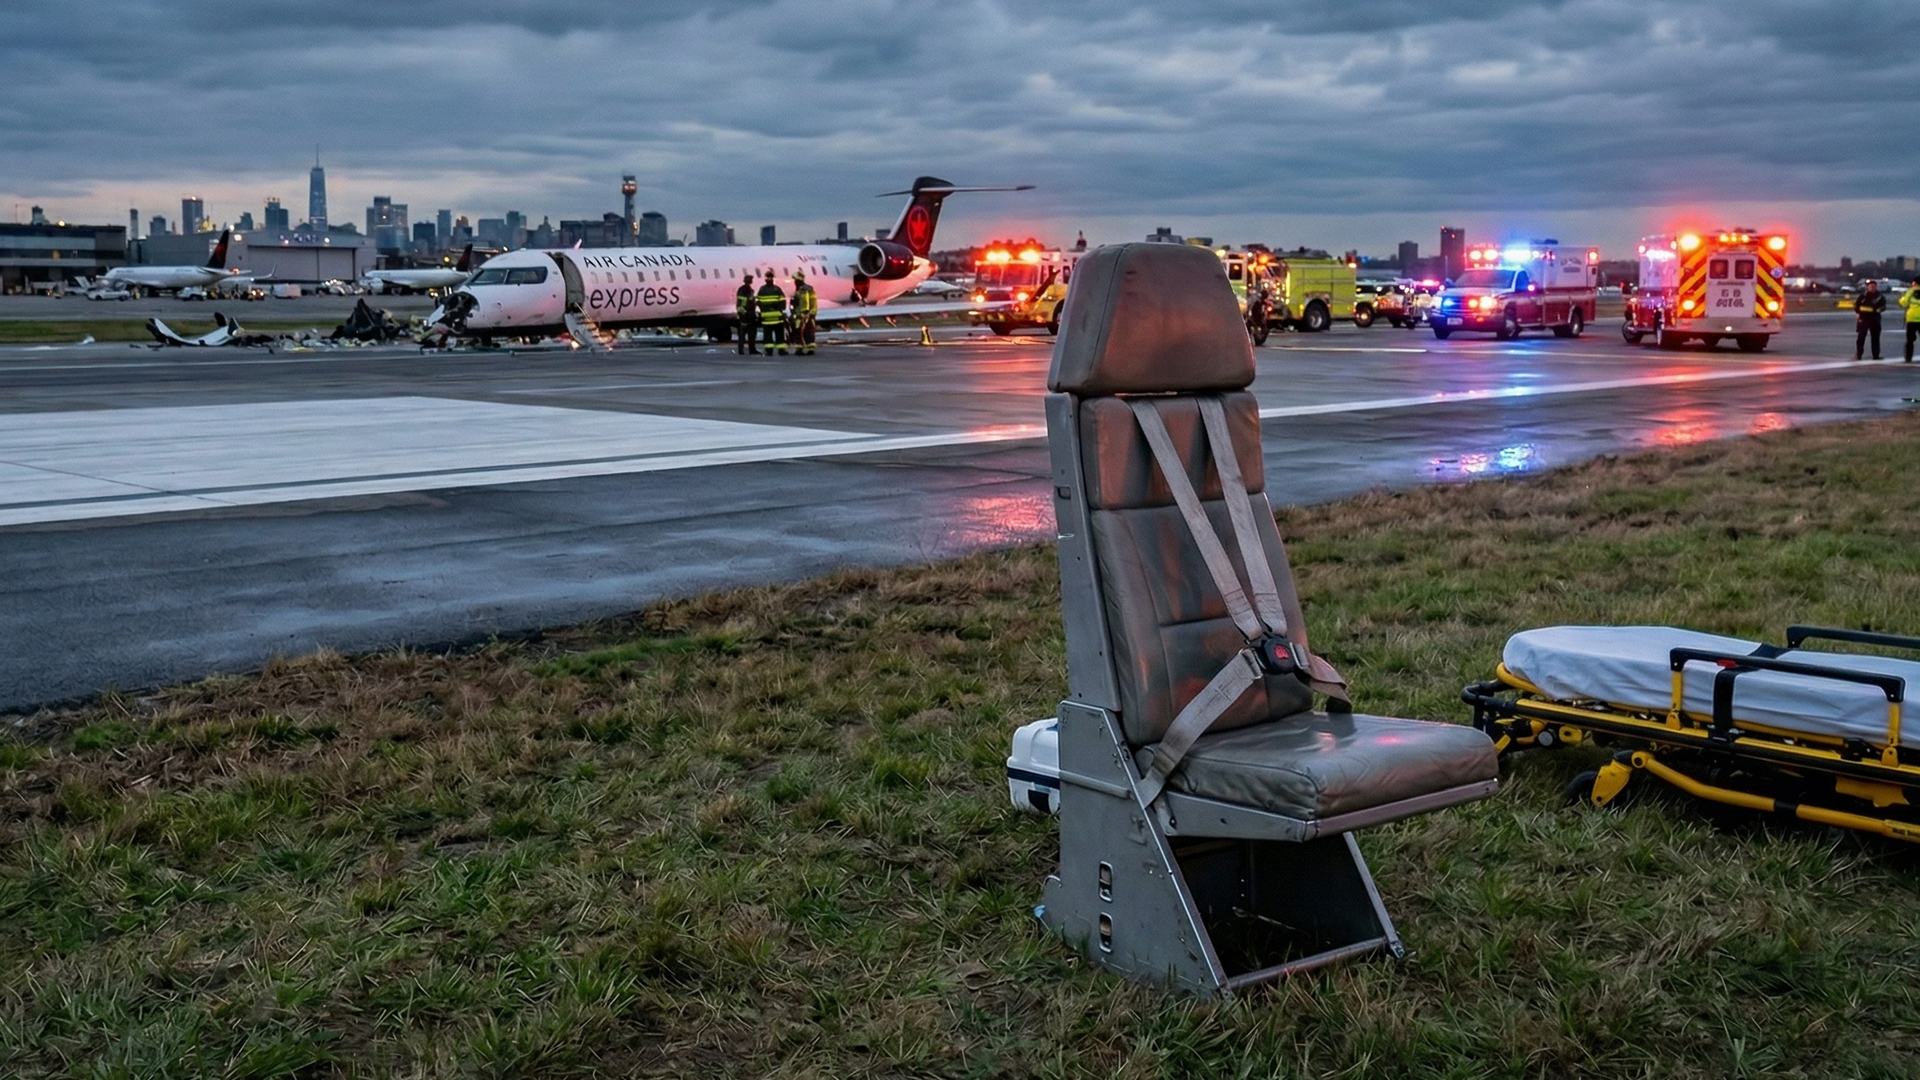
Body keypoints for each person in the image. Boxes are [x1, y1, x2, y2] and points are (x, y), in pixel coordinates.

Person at [755, 271, 787, 356]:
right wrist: (781, 311)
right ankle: (781, 350)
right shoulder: (777, 289)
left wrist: (764, 309)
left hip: (766, 317)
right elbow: (783, 302)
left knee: (767, 335)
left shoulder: (762, 290)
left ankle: (769, 351)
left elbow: (757, 301)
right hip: (777, 317)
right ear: (773, 279)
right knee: (779, 335)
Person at [1854, 279, 1885, 360]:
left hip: (1875, 319)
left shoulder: (1879, 296)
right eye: (1871, 286)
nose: (1872, 288)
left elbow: (1884, 306)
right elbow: (1856, 306)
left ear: (1876, 287)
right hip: (1863, 319)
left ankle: (1876, 355)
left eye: (1874, 286)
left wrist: (1879, 310)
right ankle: (1859, 354)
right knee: (1861, 338)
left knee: (1875, 338)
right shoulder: (1862, 296)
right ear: (1867, 287)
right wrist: (1858, 314)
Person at [789, 269, 818, 355]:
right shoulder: (798, 290)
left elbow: (806, 304)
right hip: (803, 314)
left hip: (806, 314)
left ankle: (807, 348)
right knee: (801, 331)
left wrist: (805, 314)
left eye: (796, 280)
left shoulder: (805, 289)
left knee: (805, 331)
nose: (795, 282)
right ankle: (803, 348)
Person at [734, 273, 757, 354]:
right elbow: (741, 303)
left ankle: (751, 349)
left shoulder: (749, 290)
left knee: (751, 333)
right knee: (743, 333)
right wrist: (744, 314)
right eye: (750, 280)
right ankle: (742, 349)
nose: (751, 281)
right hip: (745, 314)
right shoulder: (743, 290)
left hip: (749, 314)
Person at [1901, 279, 1920, 363]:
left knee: (1909, 340)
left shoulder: (1910, 292)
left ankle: (1908, 357)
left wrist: (1908, 293)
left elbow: (1904, 303)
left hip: (1911, 319)